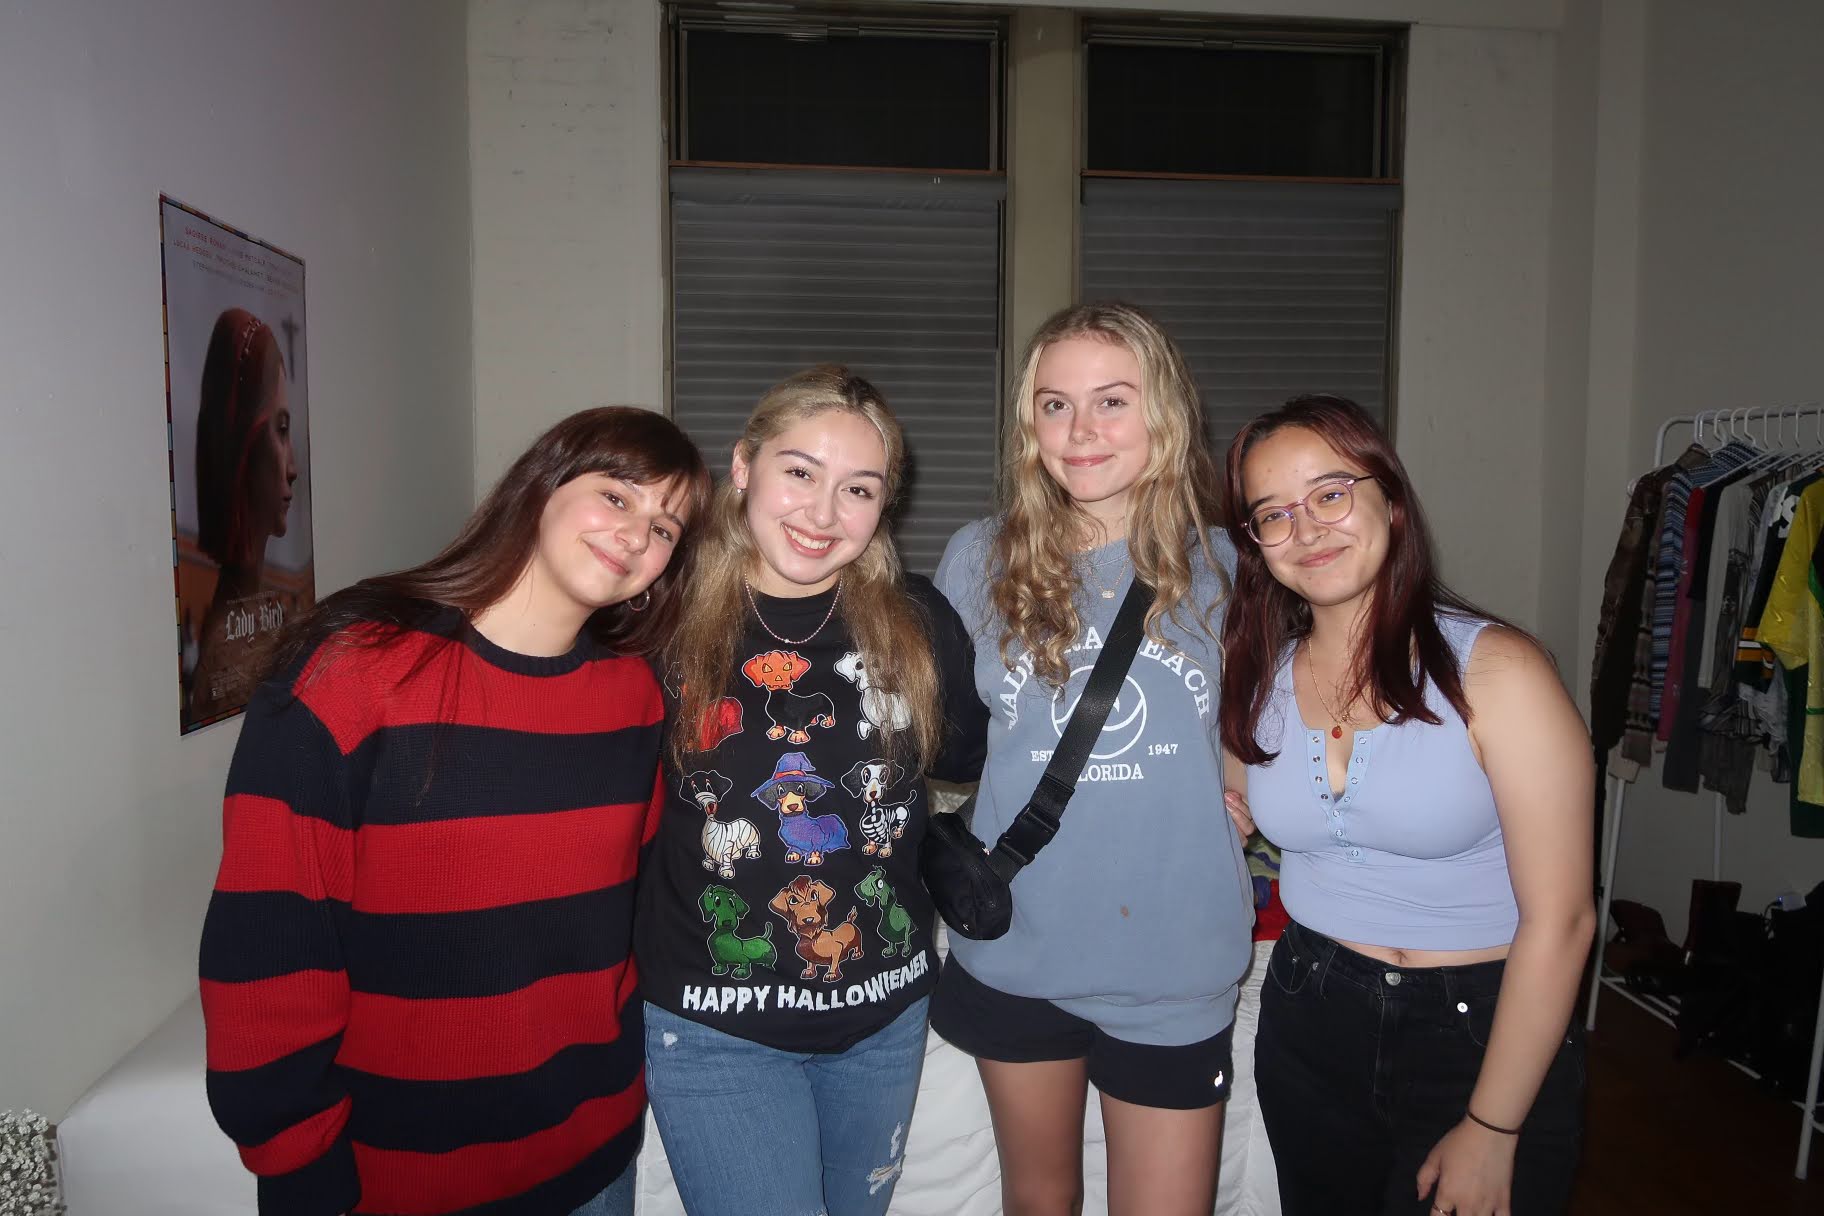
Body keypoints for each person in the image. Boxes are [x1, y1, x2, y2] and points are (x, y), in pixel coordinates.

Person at [199, 407, 711, 1216]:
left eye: (665, 527)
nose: (636, 535)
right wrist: (295, 1160)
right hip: (397, 1178)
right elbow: (270, 940)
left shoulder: (635, 700)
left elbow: (630, 920)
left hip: (593, 1156)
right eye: (616, 496)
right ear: (542, 484)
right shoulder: (357, 673)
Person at [1219, 394, 1594, 1216]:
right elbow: (1229, 799)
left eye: (1330, 493)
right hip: (1309, 1015)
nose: (1307, 529)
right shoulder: (1257, 676)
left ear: (1389, 498)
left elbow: (1563, 920)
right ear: (1255, 544)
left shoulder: (1498, 673)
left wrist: (1493, 1126)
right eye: (1272, 514)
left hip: (1479, 1027)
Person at [636, 365, 987, 1216]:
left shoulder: (917, 620)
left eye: (858, 489)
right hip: (716, 1024)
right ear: (745, 468)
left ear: (884, 506)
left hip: (883, 1019)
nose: (825, 515)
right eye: (800, 472)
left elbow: (974, 759)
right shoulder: (658, 618)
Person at [931, 302, 1253, 1216]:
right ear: (1029, 423)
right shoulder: (976, 557)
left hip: (1174, 957)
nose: (1081, 432)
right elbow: (955, 737)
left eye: (1113, 401)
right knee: (1038, 1202)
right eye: (1056, 404)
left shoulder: (1232, 566)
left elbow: (1277, 719)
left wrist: (1245, 789)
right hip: (1016, 939)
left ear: (1165, 414)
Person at [186, 307, 300, 727]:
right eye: (281, 430)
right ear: (246, 442)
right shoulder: (223, 657)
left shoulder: (265, 618)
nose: (293, 467)